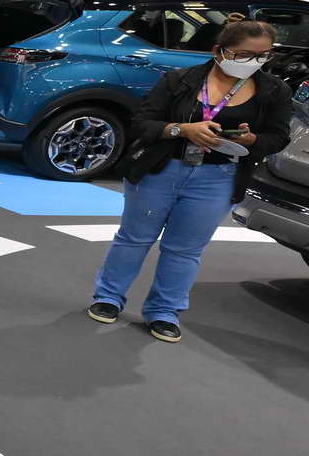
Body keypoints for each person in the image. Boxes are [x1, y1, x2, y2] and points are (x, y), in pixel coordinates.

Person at [86, 19, 292, 342]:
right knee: (134, 238)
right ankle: (108, 297)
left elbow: (278, 137)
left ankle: (164, 312)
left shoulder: (275, 91)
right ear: (219, 51)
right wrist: (181, 129)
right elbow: (142, 122)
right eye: (243, 55)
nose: (253, 62)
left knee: (185, 250)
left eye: (263, 55)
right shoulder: (180, 79)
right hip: (161, 168)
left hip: (218, 177)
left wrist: (252, 140)